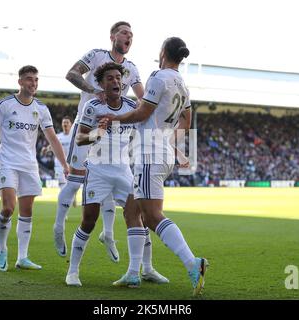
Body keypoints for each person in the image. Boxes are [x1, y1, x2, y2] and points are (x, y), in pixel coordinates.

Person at [102, 37, 208, 296]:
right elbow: (187, 120)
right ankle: (133, 273)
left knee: (151, 216)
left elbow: (141, 113)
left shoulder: (159, 78)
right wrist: (169, 141)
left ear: (163, 52)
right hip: (158, 152)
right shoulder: (183, 85)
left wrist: (115, 118)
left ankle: (192, 263)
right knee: (131, 211)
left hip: (149, 153)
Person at [65, 62, 166, 286]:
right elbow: (81, 139)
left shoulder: (132, 105)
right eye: (110, 78)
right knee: (89, 220)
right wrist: (98, 132)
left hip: (123, 170)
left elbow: (148, 126)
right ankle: (72, 271)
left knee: (138, 218)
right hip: (97, 170)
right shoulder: (92, 106)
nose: (116, 82)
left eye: (118, 78)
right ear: (101, 84)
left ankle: (146, 269)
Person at [54, 21, 144, 262]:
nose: (129, 36)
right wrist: (93, 91)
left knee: (109, 181)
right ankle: (59, 228)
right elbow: (72, 73)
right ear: (113, 36)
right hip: (87, 126)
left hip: (113, 132)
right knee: (75, 182)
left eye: (131, 34)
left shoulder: (132, 69)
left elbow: (144, 99)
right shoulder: (96, 55)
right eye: (124, 32)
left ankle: (108, 234)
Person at [0, 65, 69, 271]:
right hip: (8, 162)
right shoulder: (4, 105)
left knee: (27, 211)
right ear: (20, 81)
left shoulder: (41, 109)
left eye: (36, 80)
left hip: (29, 164)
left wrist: (65, 164)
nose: (34, 83)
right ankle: (2, 248)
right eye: (29, 79)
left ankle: (22, 257)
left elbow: (53, 139)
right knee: (7, 208)